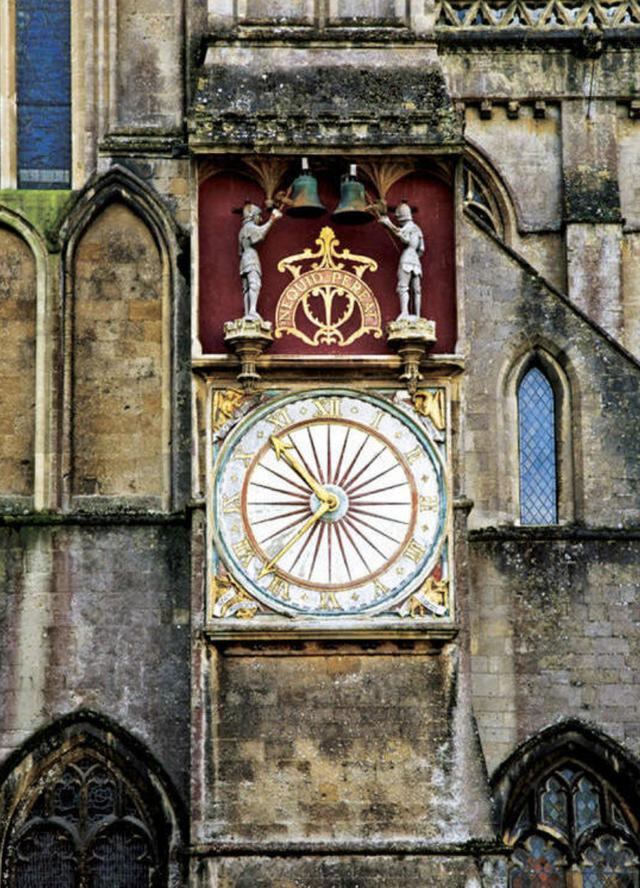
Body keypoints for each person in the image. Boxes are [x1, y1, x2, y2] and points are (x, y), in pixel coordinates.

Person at [378, 201, 425, 319]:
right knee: (417, 290)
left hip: (407, 258)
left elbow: (405, 239)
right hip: (416, 261)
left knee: (403, 287)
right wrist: (414, 256)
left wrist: (388, 225)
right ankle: (418, 315)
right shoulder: (417, 229)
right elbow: (422, 249)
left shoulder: (408, 227)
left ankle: (405, 312)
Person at [238, 202, 282, 320]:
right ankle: (252, 311)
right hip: (251, 257)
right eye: (258, 215)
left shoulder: (243, 230)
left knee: (247, 287)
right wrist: (272, 219)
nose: (260, 218)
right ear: (253, 215)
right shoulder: (249, 227)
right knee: (255, 284)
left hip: (244, 258)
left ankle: (248, 312)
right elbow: (260, 234)